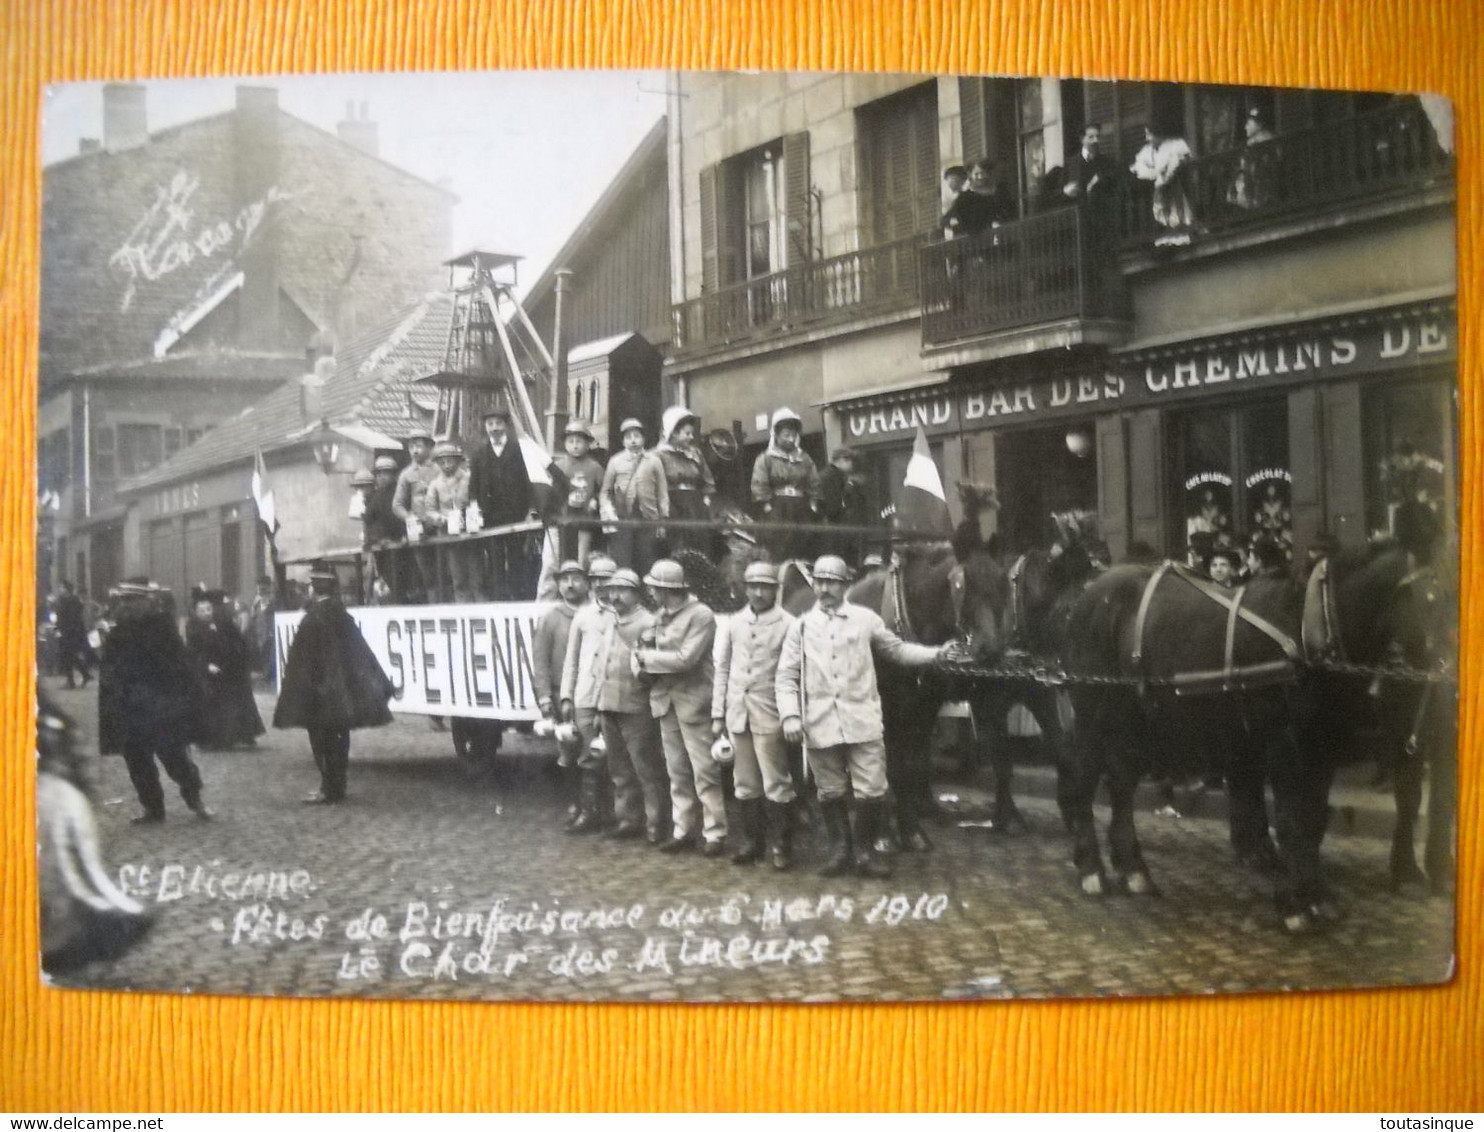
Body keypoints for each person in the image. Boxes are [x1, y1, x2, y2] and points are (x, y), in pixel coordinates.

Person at [775, 555, 949, 878]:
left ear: (845, 586)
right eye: (820, 582)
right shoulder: (800, 627)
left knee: (872, 789)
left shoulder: (865, 619)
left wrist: (937, 653)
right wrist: (790, 716)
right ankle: (840, 851)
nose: (825, 588)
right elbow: (785, 677)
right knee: (830, 790)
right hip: (820, 722)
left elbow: (897, 650)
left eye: (832, 582)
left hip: (862, 721)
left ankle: (865, 852)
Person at [273, 561, 394, 804]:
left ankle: (328, 788)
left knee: (321, 742)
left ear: (314, 588)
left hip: (318, 696)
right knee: (340, 740)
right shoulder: (341, 615)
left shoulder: (311, 620)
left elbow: (301, 662)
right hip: (341, 696)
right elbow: (362, 653)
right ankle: (338, 786)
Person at [98, 580, 214, 824]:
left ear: (146, 601)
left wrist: (184, 699)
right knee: (137, 761)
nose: (127, 606)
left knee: (175, 757)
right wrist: (113, 703)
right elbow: (109, 672)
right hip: (130, 709)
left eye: (132, 601)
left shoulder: (163, 628)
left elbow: (181, 665)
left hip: (162, 708)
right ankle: (152, 808)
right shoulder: (118, 633)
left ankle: (194, 798)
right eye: (124, 601)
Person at [634, 559, 724, 856]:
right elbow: (654, 655)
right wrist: (642, 662)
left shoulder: (702, 616)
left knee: (704, 771)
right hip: (666, 702)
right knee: (677, 771)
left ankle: (715, 833)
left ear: (667, 589)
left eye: (655, 588)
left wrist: (646, 658)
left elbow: (687, 659)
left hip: (694, 702)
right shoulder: (660, 616)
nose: (651, 593)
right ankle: (683, 830)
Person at [712, 561, 797, 869]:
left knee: (776, 781)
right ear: (744, 589)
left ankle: (782, 846)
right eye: (753, 587)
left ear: (776, 589)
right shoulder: (735, 623)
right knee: (744, 782)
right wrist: (717, 713)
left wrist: (790, 714)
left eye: (766, 587)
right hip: (738, 713)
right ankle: (752, 842)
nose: (759, 593)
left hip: (770, 713)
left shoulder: (789, 623)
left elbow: (792, 673)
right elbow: (723, 668)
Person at [584, 568, 670, 844]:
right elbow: (601, 666)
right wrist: (599, 706)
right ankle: (628, 820)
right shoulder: (611, 622)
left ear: (636, 593)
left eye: (623, 590)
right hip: (609, 706)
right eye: (612, 590)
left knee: (646, 769)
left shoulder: (647, 623)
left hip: (636, 707)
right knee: (619, 770)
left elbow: (651, 669)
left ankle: (656, 824)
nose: (615, 596)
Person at [557, 556, 619, 832]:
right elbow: (571, 660)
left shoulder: (622, 614)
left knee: (614, 756)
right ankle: (588, 811)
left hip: (614, 696)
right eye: (595, 580)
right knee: (587, 755)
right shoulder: (582, 617)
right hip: (585, 695)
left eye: (605, 580)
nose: (600, 586)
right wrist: (567, 697)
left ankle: (613, 813)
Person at [535, 561, 597, 830]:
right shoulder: (551, 617)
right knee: (569, 752)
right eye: (564, 580)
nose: (570, 585)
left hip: (593, 694)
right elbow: (541, 661)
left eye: (575, 579)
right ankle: (576, 805)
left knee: (595, 752)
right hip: (565, 696)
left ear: (587, 582)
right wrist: (546, 698)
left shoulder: (597, 612)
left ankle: (596, 808)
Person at [468, 407, 535, 598]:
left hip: (516, 514)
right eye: (490, 424)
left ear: (505, 426)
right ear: (485, 427)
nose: (494, 428)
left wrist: (531, 510)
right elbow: (473, 486)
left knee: (517, 558)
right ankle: (499, 600)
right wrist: (475, 509)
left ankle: (519, 599)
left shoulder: (519, 450)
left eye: (498, 423)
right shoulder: (479, 454)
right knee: (495, 561)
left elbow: (529, 482)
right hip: (490, 517)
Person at [185, 589, 265, 750]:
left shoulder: (222, 621)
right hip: (207, 669)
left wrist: (237, 661)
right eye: (202, 611)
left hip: (229, 666)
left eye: (208, 609)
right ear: (196, 612)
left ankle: (240, 733)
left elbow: (237, 641)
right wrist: (206, 665)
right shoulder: (192, 626)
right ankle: (211, 738)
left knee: (234, 699)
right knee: (210, 701)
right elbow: (193, 652)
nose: (207, 613)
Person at [750, 407, 820, 562]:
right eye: (786, 435)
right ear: (776, 435)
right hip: (778, 507)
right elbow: (759, 482)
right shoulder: (766, 458)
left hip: (800, 506)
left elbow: (813, 480)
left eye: (793, 435)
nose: (790, 438)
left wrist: (813, 502)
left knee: (804, 542)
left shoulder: (804, 458)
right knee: (779, 542)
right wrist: (767, 505)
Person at [600, 417, 668, 576]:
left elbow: (662, 493)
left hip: (649, 518)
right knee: (623, 560)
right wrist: (609, 512)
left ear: (643, 439)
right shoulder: (615, 461)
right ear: (623, 441)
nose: (633, 441)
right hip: (623, 518)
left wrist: (663, 520)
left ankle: (647, 596)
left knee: (647, 559)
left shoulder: (654, 461)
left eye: (637, 436)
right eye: (628, 437)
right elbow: (605, 492)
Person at [422, 441, 482, 603]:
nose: (446, 465)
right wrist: (439, 518)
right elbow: (429, 509)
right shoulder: (435, 485)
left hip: (471, 535)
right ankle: (463, 609)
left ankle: (482, 608)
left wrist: (473, 514)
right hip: (450, 537)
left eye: (450, 461)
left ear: (457, 460)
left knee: (477, 576)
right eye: (442, 462)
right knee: (458, 577)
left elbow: (478, 499)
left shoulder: (468, 478)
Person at [655, 405, 716, 557]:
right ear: (673, 433)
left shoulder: (695, 453)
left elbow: (707, 480)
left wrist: (706, 501)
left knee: (700, 545)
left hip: (695, 505)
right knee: (677, 545)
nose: (691, 437)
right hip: (672, 505)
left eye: (691, 433)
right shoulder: (658, 455)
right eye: (687, 433)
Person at [546, 420, 605, 566]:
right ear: (565, 444)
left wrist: (595, 500)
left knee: (582, 556)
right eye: (571, 441)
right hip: (565, 516)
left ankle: (582, 580)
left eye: (579, 441)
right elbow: (552, 491)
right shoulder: (559, 466)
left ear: (587, 444)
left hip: (586, 517)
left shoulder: (595, 467)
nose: (575, 445)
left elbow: (603, 490)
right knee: (564, 554)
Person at [393, 429, 439, 601]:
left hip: (441, 527)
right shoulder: (406, 474)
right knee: (427, 575)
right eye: (411, 446)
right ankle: (435, 608)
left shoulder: (439, 468)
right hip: (419, 531)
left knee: (447, 570)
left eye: (419, 446)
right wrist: (408, 517)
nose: (415, 450)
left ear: (428, 447)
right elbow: (397, 505)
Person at [1131, 125, 1196, 245]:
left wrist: (1165, 178)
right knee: (1161, 211)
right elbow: (1138, 166)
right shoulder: (1147, 150)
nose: (1147, 138)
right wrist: (1152, 174)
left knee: (1177, 211)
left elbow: (1177, 163)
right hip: (1159, 187)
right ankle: (1165, 235)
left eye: (1150, 135)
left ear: (1159, 134)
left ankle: (1179, 235)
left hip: (1173, 185)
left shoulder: (1174, 146)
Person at [817, 446, 873, 566]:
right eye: (849, 460)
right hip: (837, 532)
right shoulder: (831, 477)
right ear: (841, 460)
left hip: (835, 532)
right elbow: (833, 507)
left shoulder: (833, 476)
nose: (851, 464)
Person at [940, 158, 1013, 239]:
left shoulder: (999, 192)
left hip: (1000, 237)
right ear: (971, 175)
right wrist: (954, 223)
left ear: (988, 174)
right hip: (975, 240)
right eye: (976, 174)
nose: (980, 177)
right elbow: (947, 219)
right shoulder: (965, 197)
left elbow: (1008, 212)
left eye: (983, 173)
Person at [1228, 107, 1277, 211]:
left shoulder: (1266, 139)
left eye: (1249, 124)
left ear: (1259, 125)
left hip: (1259, 187)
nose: (1245, 127)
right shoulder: (1251, 142)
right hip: (1248, 187)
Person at [54, 580, 93, 688]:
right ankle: (84, 675)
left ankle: (71, 681)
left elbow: (71, 619)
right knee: (71, 656)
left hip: (71, 633)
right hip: (66, 632)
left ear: (67, 589)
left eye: (62, 587)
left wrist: (64, 631)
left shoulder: (72, 601)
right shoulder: (63, 600)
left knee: (68, 656)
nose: (60, 590)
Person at [248, 575, 277, 679]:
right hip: (259, 633)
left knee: (269, 654)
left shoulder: (274, 600)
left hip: (270, 633)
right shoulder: (257, 602)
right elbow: (253, 617)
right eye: (259, 588)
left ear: (269, 587)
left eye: (263, 588)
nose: (260, 591)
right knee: (263, 655)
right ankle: (265, 674)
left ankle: (268, 675)